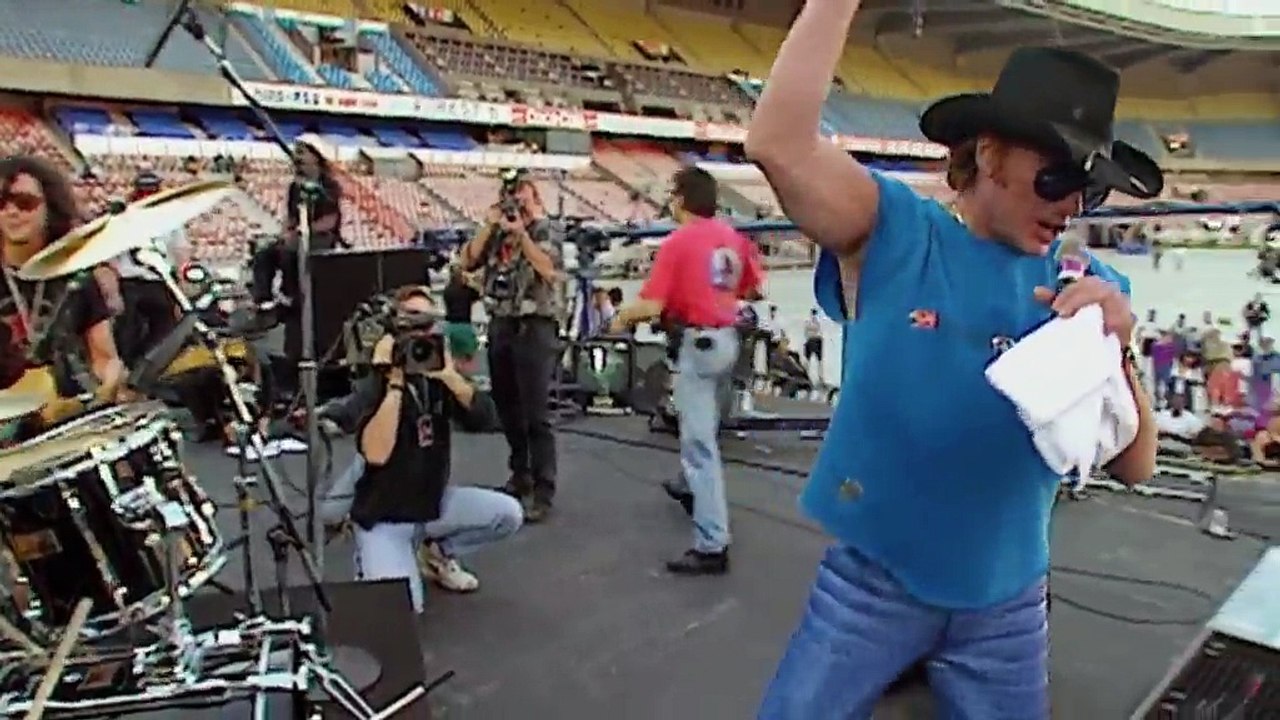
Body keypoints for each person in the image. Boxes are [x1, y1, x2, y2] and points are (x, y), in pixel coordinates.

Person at [747, 25, 1162, 717]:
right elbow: (777, 145)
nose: (1070, 206)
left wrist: (1119, 348)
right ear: (990, 155)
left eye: (1091, 190)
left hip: (1008, 604)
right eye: (1057, 176)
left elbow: (1136, 465)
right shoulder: (898, 233)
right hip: (872, 584)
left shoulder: (1089, 286)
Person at [610, 166, 764, 574]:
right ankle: (686, 484)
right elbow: (752, 287)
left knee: (699, 446)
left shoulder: (678, 243)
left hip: (698, 344)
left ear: (680, 198)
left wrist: (621, 317)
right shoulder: (733, 236)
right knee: (704, 424)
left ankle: (712, 544)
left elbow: (651, 306)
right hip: (728, 339)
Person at [347, 286, 522, 610]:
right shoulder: (376, 382)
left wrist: (450, 376)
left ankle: (438, 553)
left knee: (507, 514)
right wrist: (394, 382)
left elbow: (487, 419)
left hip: (432, 506)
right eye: (412, 325)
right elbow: (375, 453)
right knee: (402, 610)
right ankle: (374, 563)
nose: (420, 336)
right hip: (385, 516)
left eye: (426, 326)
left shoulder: (437, 377)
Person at [458, 170, 564, 523]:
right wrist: (490, 227)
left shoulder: (546, 230)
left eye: (523, 194)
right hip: (502, 322)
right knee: (508, 409)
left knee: (536, 413)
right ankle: (520, 475)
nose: (516, 202)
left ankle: (543, 488)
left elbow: (549, 270)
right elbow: (467, 261)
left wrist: (523, 235)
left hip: (534, 325)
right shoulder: (496, 233)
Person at [0, 155, 126, 442]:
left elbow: (105, 357)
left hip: (68, 429)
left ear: (50, 207)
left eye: (25, 202)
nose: (11, 212)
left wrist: (106, 383)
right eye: (1, 202)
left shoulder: (76, 276)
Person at [250, 140, 345, 322]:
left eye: (302, 153)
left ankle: (291, 296)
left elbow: (330, 220)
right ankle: (263, 300)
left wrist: (303, 231)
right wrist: (286, 232)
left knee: (290, 252)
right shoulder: (295, 186)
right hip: (298, 234)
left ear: (315, 156)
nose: (298, 157)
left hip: (321, 237)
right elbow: (291, 216)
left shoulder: (329, 186)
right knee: (265, 254)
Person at [111, 170, 192, 367]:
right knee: (128, 333)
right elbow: (111, 252)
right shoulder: (123, 216)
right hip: (132, 280)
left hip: (158, 280)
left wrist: (182, 282)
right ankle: (132, 368)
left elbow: (181, 251)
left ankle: (144, 368)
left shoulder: (169, 215)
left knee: (164, 332)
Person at [440, 264, 482, 374]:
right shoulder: (467, 291)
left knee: (454, 357)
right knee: (468, 357)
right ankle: (468, 380)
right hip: (465, 326)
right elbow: (479, 293)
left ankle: (456, 379)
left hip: (450, 326)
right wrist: (470, 281)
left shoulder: (447, 291)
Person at [801, 308, 824, 386]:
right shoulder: (817, 321)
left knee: (812, 360)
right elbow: (818, 331)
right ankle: (819, 377)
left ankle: (816, 376)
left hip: (813, 340)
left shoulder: (809, 321)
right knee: (817, 360)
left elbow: (806, 332)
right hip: (815, 340)